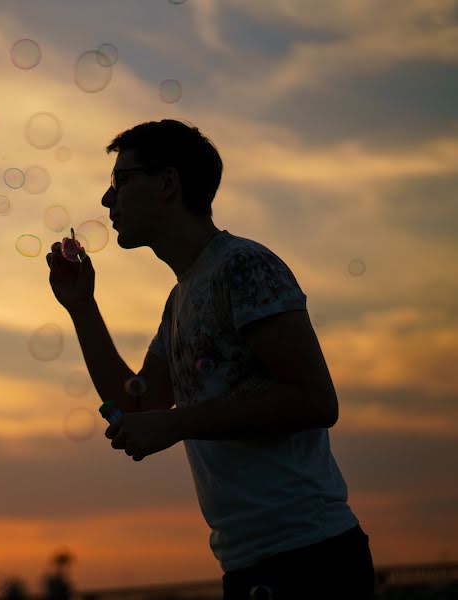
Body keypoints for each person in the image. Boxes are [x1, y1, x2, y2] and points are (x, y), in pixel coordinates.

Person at [45, 120, 375, 599]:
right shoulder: (179, 301)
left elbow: (315, 401)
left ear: (167, 183)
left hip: (310, 556)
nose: (106, 199)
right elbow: (138, 406)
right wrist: (81, 307)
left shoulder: (243, 266)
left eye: (120, 180)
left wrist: (178, 424)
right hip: (245, 563)